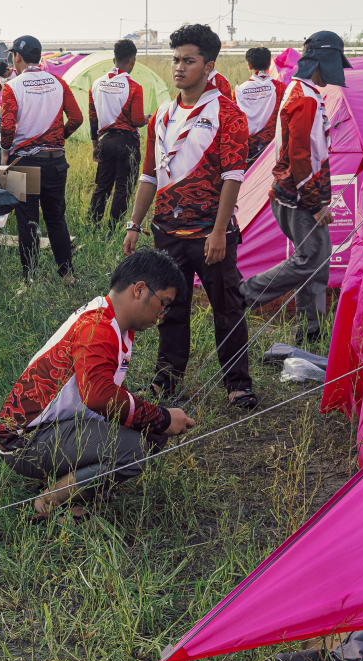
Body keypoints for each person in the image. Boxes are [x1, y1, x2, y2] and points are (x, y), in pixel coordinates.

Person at [0, 250, 195, 522]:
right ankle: (49, 501)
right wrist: (161, 417)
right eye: (164, 303)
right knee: (135, 447)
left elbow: (106, 396)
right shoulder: (98, 326)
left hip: (52, 430)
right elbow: (98, 396)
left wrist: (156, 421)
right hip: (24, 443)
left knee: (151, 432)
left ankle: (77, 486)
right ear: (139, 290)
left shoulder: (116, 324)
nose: (163, 313)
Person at [123, 23, 257, 410]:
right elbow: (149, 174)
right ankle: (167, 380)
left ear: (209, 65)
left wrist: (218, 232)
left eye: (189, 60)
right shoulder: (162, 115)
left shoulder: (228, 114)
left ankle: (238, 383)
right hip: (167, 231)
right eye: (176, 59)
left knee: (226, 307)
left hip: (209, 234)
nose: (178, 67)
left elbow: (234, 177)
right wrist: (135, 224)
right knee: (169, 308)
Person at [240, 31, 350, 343]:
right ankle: (244, 294)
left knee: (317, 259)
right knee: (311, 258)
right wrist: (315, 204)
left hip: (299, 193)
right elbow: (300, 157)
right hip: (298, 197)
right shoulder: (304, 101)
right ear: (322, 62)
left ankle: (311, 330)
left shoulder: (302, 91)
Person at [0, 35, 83, 286]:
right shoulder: (59, 83)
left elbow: (7, 127)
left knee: (27, 222)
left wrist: (5, 153)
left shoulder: (12, 86)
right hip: (56, 161)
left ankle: (29, 280)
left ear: (17, 57)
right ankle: (67, 275)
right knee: (56, 219)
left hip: (22, 164)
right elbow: (77, 118)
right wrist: (60, 138)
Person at [88, 39, 147, 228]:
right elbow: (137, 120)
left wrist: (95, 145)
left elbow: (93, 118)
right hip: (126, 143)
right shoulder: (134, 87)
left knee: (102, 187)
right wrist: (148, 117)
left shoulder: (96, 84)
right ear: (133, 61)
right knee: (123, 188)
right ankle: (112, 230)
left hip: (105, 142)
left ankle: (92, 224)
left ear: (114, 59)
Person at [236, 47, 286, 165]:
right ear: (269, 63)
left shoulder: (238, 91)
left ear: (249, 65)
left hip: (247, 151)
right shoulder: (280, 88)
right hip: (272, 150)